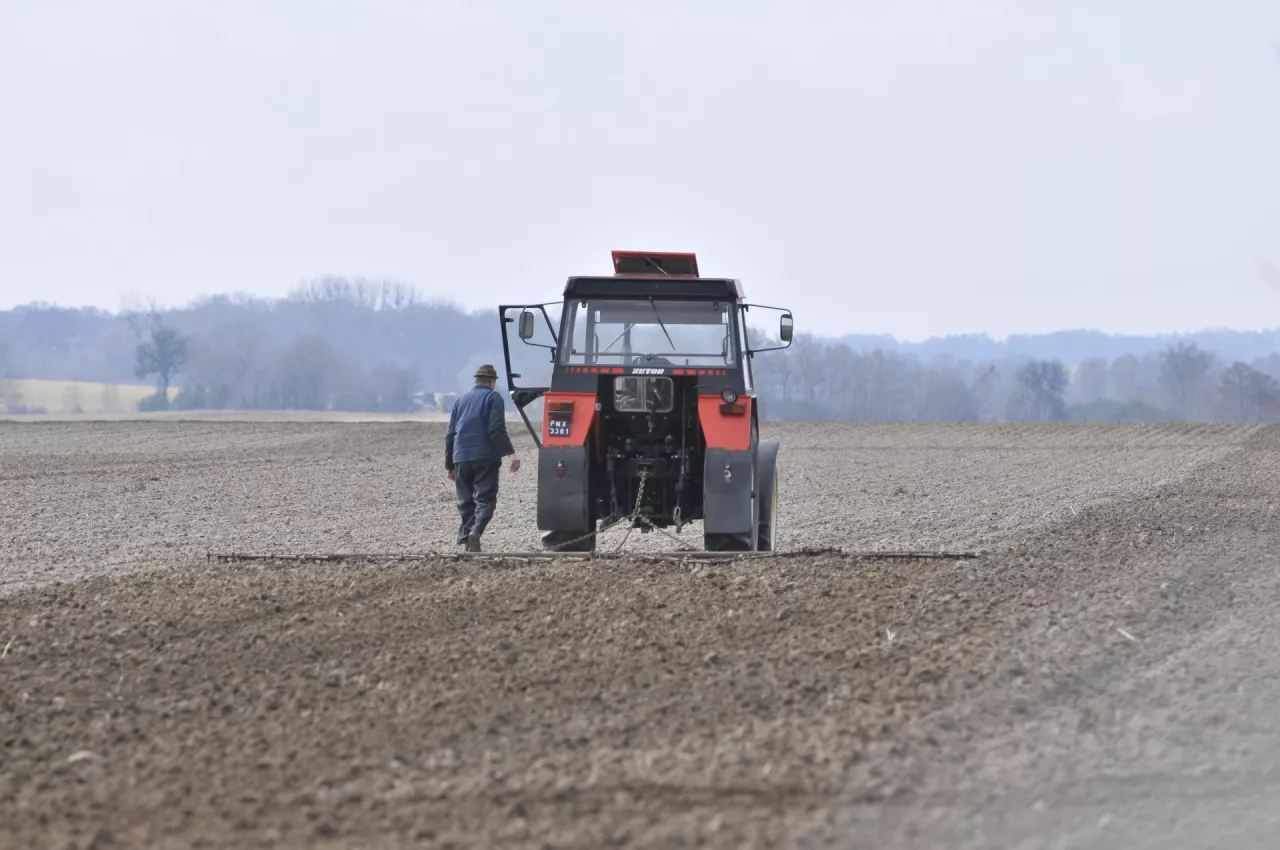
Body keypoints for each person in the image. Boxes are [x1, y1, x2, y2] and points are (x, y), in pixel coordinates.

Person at [445, 364, 521, 552]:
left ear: (476, 381)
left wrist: (449, 465)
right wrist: (510, 453)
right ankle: (475, 532)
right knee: (485, 500)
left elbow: (450, 434)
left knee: (466, 502)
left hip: (460, 456)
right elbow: (496, 429)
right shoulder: (493, 398)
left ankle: (466, 542)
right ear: (492, 382)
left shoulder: (461, 401)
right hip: (485, 456)